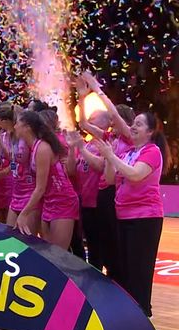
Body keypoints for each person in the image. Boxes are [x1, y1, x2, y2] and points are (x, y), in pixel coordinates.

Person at [95, 112, 169, 317]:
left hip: (145, 218)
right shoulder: (128, 153)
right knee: (125, 268)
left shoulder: (152, 151)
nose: (133, 127)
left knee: (139, 270)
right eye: (133, 123)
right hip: (124, 216)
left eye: (139, 124)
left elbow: (136, 175)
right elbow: (110, 179)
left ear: (150, 131)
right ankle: (130, 313)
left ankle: (142, 313)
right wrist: (109, 157)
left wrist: (111, 157)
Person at [77, 72, 134, 279]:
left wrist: (96, 88)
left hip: (112, 195)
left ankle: (117, 283)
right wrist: (82, 97)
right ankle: (105, 283)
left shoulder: (128, 140)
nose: (111, 121)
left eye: (114, 119)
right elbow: (83, 124)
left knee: (113, 248)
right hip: (103, 196)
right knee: (103, 246)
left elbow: (115, 115)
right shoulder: (110, 138)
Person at [14, 111, 79, 249]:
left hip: (63, 200)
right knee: (48, 253)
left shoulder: (42, 148)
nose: (14, 127)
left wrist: (24, 214)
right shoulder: (33, 147)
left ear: (27, 127)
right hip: (49, 200)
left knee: (58, 254)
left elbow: (40, 188)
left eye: (17, 123)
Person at [65, 110, 111, 269]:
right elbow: (71, 171)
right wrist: (73, 148)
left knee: (100, 247)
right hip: (85, 202)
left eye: (92, 119)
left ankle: (101, 278)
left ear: (104, 123)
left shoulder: (107, 144)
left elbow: (100, 166)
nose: (88, 122)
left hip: (100, 203)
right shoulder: (88, 144)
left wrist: (81, 148)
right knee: (90, 244)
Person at [0, 103, 17, 224]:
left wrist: (4, 173)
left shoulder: (17, 136)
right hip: (1, 183)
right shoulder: (1, 136)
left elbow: (15, 162)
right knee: (1, 221)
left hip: (12, 183)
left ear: (3, 121)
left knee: (10, 222)